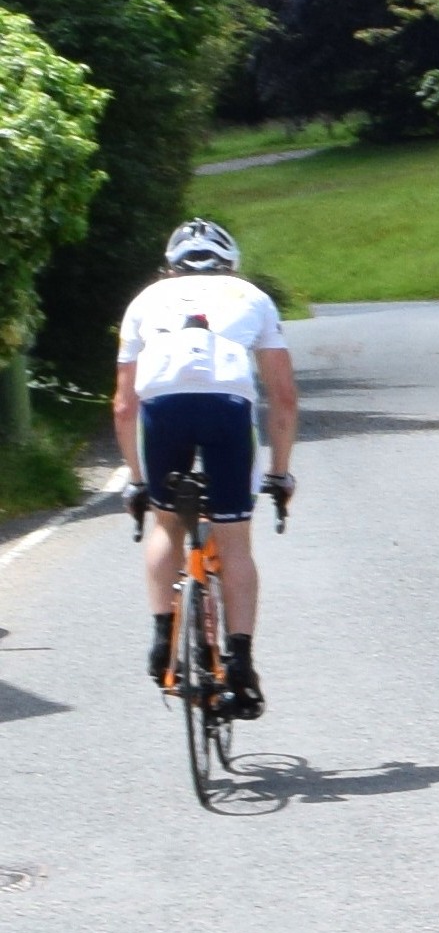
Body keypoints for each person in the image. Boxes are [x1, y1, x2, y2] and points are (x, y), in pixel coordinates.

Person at [114, 220, 298, 712]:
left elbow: (123, 406)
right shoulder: (251, 297)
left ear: (169, 266)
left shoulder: (144, 301)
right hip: (225, 408)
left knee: (167, 523)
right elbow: (282, 397)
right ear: (230, 264)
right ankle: (239, 662)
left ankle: (161, 638)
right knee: (234, 538)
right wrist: (280, 474)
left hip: (163, 410)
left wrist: (136, 481)